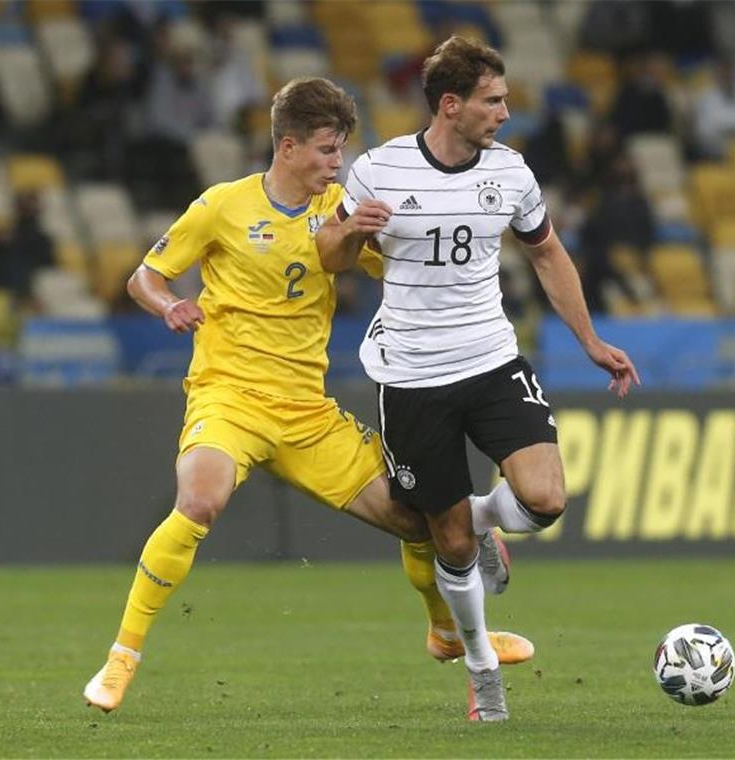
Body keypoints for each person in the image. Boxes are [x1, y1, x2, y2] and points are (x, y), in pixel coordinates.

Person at [83, 77, 534, 715]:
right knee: (200, 500)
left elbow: (396, 269)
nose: (337, 162)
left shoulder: (341, 210)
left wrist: (387, 240)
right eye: (326, 150)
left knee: (422, 517)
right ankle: (121, 658)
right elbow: (143, 277)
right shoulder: (222, 205)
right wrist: (170, 304)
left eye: (342, 149)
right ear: (288, 147)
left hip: (306, 414)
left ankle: (442, 630)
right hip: (230, 400)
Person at [316, 36, 640, 721]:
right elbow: (327, 256)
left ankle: (484, 516)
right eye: (493, 101)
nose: (504, 112)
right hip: (411, 377)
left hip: (491, 360)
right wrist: (349, 235)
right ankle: (481, 665)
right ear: (451, 104)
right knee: (451, 541)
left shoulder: (513, 174)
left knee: (546, 499)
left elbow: (548, 255)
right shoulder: (379, 169)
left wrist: (589, 340)